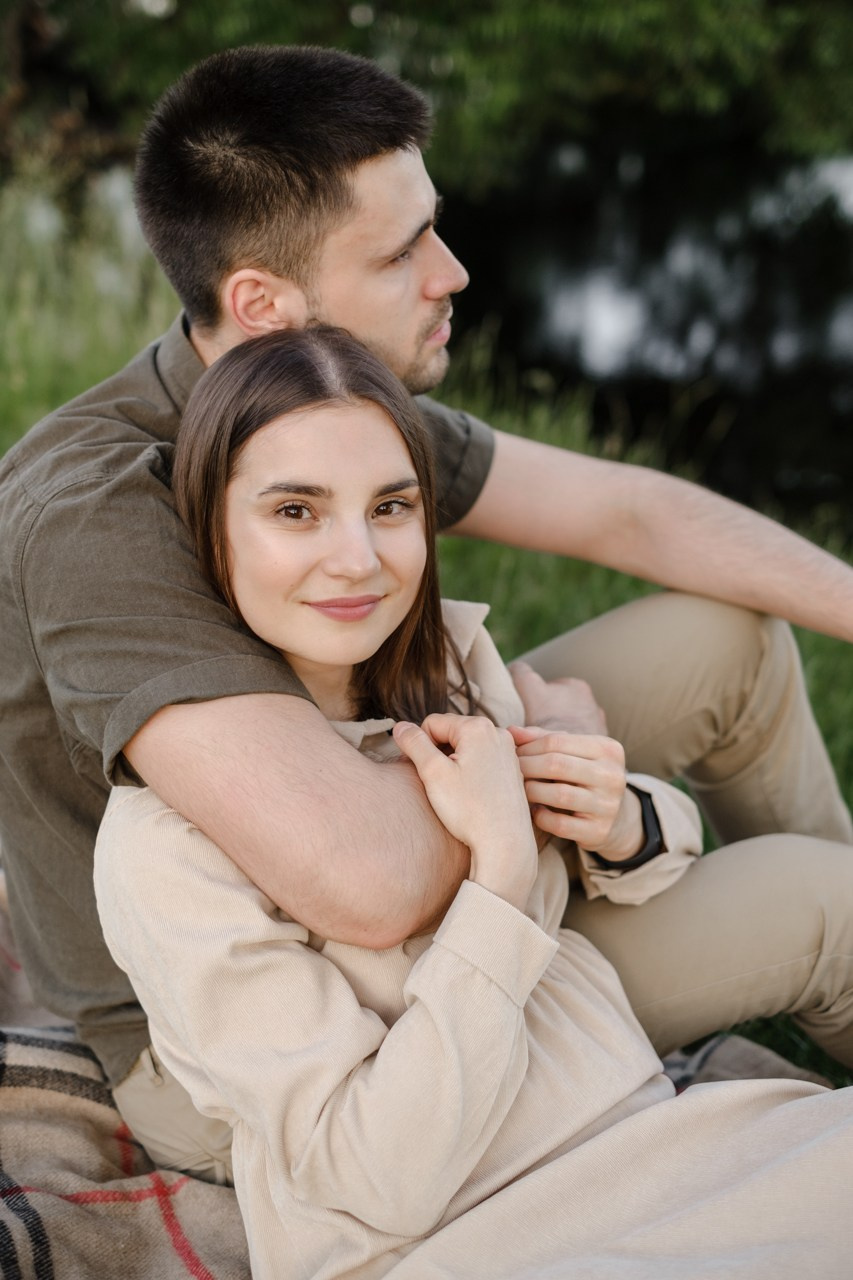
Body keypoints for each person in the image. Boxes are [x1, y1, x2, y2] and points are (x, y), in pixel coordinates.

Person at [2, 44, 853, 1176]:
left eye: (433, 229)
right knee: (824, 905)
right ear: (261, 302)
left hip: (419, 884)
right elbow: (366, 884)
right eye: (401, 251)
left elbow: (629, 514)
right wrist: (541, 753)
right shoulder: (98, 512)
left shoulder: (311, 401)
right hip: (276, 1043)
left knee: (730, 639)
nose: (450, 273)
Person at [94, 327, 853, 1280]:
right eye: (295, 510)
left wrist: (620, 817)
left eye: (390, 507)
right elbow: (371, 1177)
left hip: (635, 1122)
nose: (357, 559)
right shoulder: (166, 847)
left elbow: (653, 858)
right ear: (210, 530)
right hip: (473, 1234)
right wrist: (497, 872)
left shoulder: (448, 675)